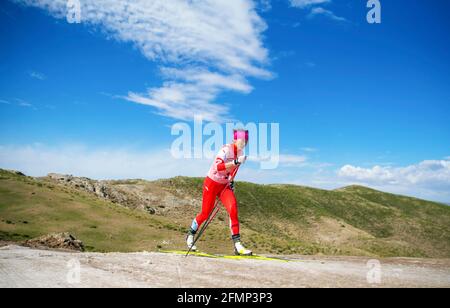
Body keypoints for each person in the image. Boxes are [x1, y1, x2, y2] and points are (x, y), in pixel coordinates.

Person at [186, 129, 252, 256]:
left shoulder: (241, 153)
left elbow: (232, 171)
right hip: (211, 183)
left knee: (233, 209)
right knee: (205, 213)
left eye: (246, 141)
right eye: (242, 140)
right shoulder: (225, 150)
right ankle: (190, 234)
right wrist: (236, 162)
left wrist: (231, 180)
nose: (244, 143)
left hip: (223, 186)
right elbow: (218, 166)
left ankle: (237, 245)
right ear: (234, 140)